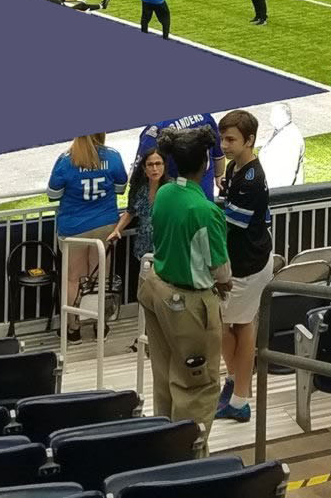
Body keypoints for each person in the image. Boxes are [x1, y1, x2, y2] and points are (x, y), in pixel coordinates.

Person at [138, 126, 232, 455]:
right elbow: (220, 271)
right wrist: (225, 286)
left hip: (158, 292)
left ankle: (164, 447)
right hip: (190, 305)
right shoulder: (205, 210)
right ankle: (189, 461)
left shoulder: (164, 193)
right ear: (205, 162)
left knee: (165, 377)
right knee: (198, 386)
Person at [214, 110, 271, 424]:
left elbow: (230, 224)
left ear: (249, 140)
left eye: (231, 139)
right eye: (223, 138)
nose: (224, 144)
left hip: (248, 265)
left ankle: (240, 396)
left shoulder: (251, 177)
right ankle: (235, 383)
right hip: (244, 260)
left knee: (240, 324)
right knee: (231, 324)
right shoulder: (238, 168)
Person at [47, 134, 128, 341]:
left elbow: (53, 195)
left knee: (73, 279)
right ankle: (100, 325)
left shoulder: (66, 160)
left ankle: (72, 327)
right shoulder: (113, 156)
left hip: (73, 228)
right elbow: (120, 188)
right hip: (105, 225)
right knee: (100, 278)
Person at [109, 147, 168, 262]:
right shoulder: (138, 189)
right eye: (150, 165)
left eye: (158, 164)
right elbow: (130, 211)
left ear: (164, 166)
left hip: (165, 248)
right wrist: (117, 230)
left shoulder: (172, 189)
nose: (154, 169)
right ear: (144, 168)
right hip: (143, 248)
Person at [257, 102, 306, 190]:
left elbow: (288, 173)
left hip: (278, 192)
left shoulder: (291, 138)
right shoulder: (282, 130)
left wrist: (276, 194)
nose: (270, 118)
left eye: (273, 115)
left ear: (282, 117)